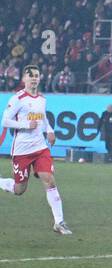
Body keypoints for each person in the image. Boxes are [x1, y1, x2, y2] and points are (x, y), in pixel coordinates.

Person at [0, 65, 70, 234]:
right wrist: (25, 125)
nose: (34, 78)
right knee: (19, 190)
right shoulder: (17, 99)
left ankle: (59, 222)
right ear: (24, 79)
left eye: (36, 76)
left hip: (40, 148)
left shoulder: (42, 99)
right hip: (22, 151)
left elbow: (43, 117)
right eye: (30, 76)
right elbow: (5, 121)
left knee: (49, 179)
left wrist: (50, 130)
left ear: (39, 78)